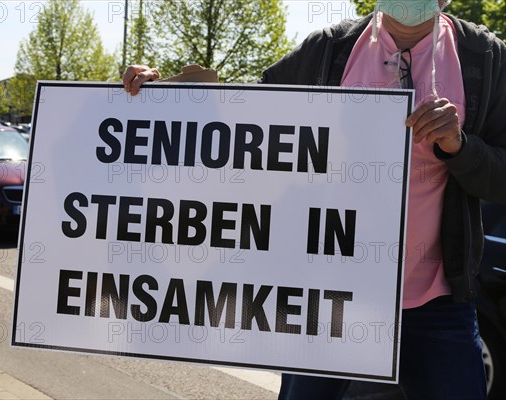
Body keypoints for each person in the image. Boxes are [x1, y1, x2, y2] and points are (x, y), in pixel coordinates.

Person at [123, 1, 506, 398]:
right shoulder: (328, 50)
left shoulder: (486, 58)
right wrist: (160, 97)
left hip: (436, 301)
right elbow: (245, 128)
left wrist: (459, 147)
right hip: (328, 301)